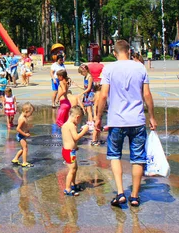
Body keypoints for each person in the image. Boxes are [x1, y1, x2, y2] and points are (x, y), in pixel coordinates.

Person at [95, 40, 157, 208]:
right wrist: (151, 116)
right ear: (129, 51)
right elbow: (147, 94)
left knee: (115, 155)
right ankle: (135, 196)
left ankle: (121, 193)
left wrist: (98, 117)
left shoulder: (109, 68)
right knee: (138, 158)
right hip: (137, 120)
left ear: (115, 53)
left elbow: (103, 95)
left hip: (116, 120)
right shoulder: (140, 67)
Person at [61, 106, 89, 196]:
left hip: (68, 151)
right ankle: (67, 188)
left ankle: (73, 185)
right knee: (72, 170)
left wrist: (75, 146)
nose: (79, 122)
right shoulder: (71, 125)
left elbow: (69, 139)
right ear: (77, 117)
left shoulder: (65, 125)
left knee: (75, 168)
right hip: (69, 152)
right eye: (80, 120)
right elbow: (76, 137)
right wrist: (84, 131)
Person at [11, 103, 35, 167]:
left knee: (23, 149)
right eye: (31, 113)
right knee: (25, 148)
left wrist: (27, 129)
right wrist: (25, 134)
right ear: (26, 111)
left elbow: (23, 127)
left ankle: (15, 159)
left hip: (22, 135)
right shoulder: (22, 119)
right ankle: (24, 162)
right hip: (21, 136)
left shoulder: (23, 117)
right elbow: (18, 129)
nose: (31, 115)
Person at [77, 64, 96, 139]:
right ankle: (89, 123)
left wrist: (82, 93)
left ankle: (91, 124)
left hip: (89, 94)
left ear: (85, 71)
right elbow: (85, 87)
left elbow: (89, 88)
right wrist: (77, 85)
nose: (81, 74)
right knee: (88, 110)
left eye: (82, 73)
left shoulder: (89, 77)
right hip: (86, 94)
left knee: (89, 110)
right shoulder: (85, 77)